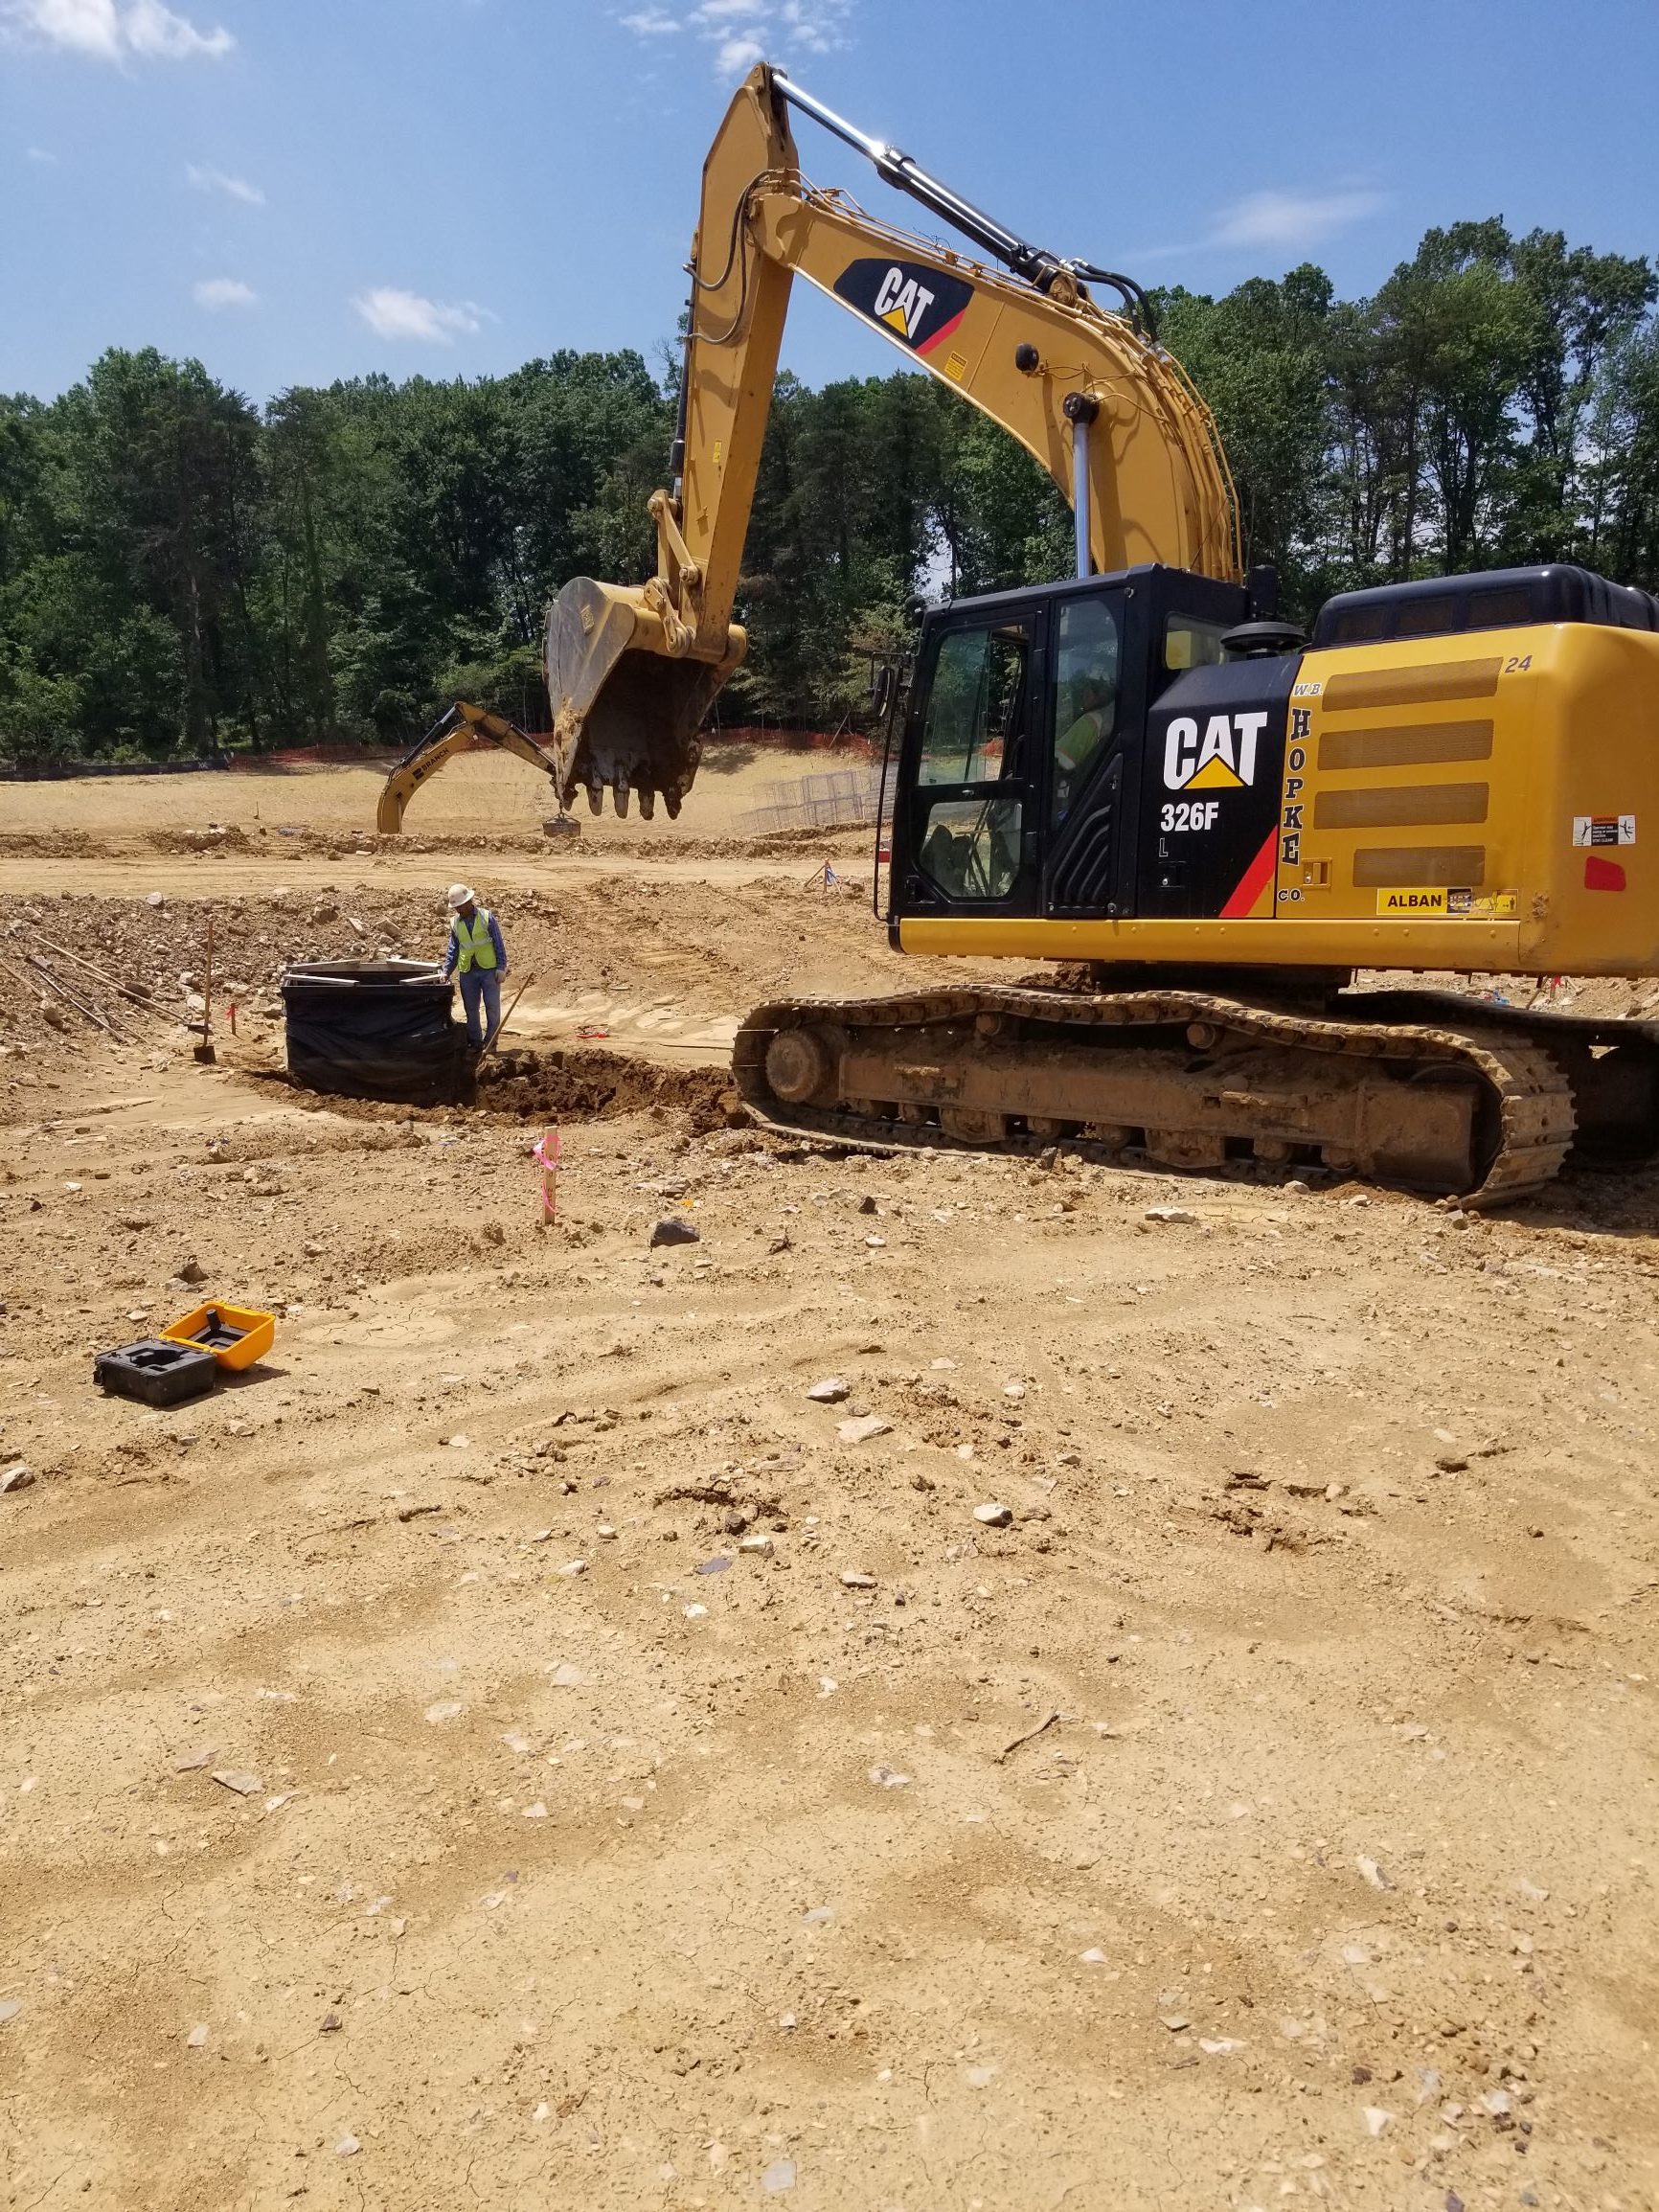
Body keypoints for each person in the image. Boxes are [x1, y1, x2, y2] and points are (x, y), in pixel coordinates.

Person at [441, 883, 508, 1050]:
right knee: (471, 1009)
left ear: (469, 901)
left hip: (488, 969)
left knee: (492, 1007)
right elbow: (453, 949)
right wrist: (446, 971)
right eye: (455, 907)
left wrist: (501, 966)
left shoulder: (486, 917)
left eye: (460, 906)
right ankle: (475, 1042)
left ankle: (491, 1042)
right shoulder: (455, 923)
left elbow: (498, 943)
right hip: (467, 971)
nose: (458, 910)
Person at [1052, 672, 1115, 821]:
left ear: (1099, 694)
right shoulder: (1110, 717)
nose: (1083, 695)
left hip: (1071, 794)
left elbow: (1064, 761)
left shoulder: (1090, 721)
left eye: (1087, 691)